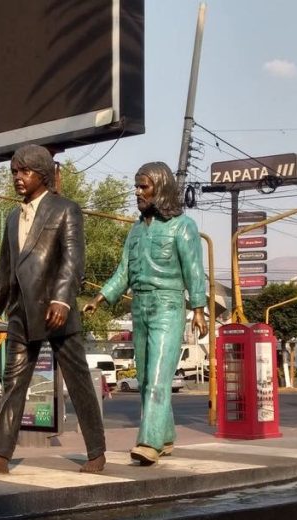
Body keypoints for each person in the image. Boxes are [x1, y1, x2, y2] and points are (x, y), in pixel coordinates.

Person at [0, 144, 108, 475]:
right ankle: (0, 455)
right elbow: (5, 268)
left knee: (77, 382)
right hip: (20, 312)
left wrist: (62, 299)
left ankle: (97, 452)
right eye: (14, 171)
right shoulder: (12, 217)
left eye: (26, 171)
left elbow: (73, 260)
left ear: (44, 175)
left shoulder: (65, 209)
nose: (18, 177)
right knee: (13, 383)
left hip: (55, 310)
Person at [83, 161, 206, 465]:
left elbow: (194, 270)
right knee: (145, 377)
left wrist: (199, 309)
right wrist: (99, 298)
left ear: (160, 188)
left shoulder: (183, 226)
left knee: (159, 377)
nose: (137, 192)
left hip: (168, 305)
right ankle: (164, 436)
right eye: (136, 186)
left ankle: (148, 442)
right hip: (140, 306)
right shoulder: (136, 230)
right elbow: (123, 270)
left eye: (144, 187)